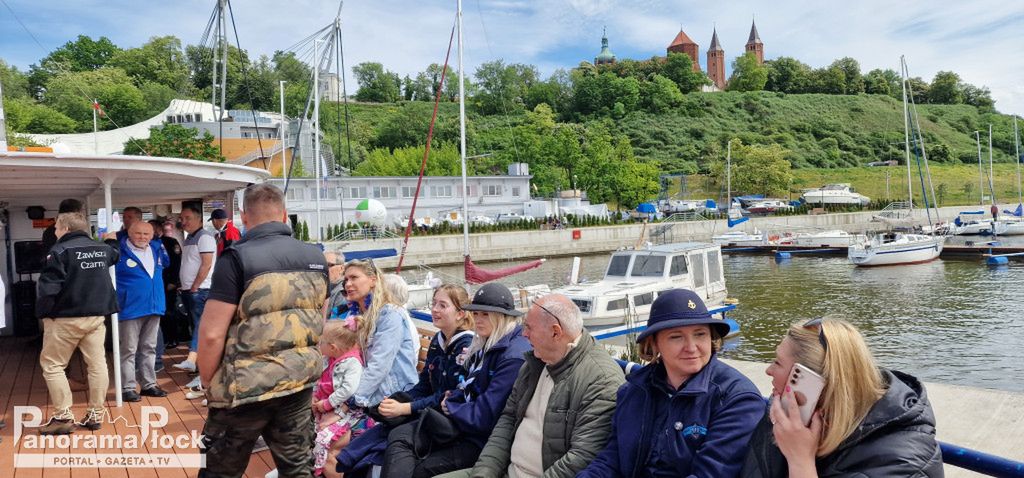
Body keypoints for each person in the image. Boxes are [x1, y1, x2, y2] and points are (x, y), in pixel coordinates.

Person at [197, 183, 329, 476]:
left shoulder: (236, 258)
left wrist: (208, 380)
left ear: (244, 216)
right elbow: (319, 319)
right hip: (298, 381)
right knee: (298, 469)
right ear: (284, 214)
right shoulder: (316, 257)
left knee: (219, 469)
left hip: (244, 388)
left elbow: (211, 334)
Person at [578, 288, 764, 478]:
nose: (691, 347)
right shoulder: (634, 391)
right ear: (654, 343)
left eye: (700, 334)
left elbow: (710, 473)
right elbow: (611, 459)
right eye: (676, 337)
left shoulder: (737, 399)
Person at [739, 318, 943, 477]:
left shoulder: (904, 463)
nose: (768, 370)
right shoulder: (788, 418)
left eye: (777, 362)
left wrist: (800, 462)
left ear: (811, 382)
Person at [454, 293, 624, 478]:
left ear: (555, 332)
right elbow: (508, 420)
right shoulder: (536, 361)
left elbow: (582, 457)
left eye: (529, 327)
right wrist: (484, 472)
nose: (523, 334)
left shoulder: (601, 380)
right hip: (507, 470)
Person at [381, 283, 532, 478]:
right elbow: (464, 386)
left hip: (481, 439)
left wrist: (451, 406)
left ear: (503, 316)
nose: (478, 319)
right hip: (463, 424)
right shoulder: (489, 342)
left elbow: (485, 415)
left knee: (417, 464)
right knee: (397, 436)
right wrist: (452, 399)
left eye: (485, 314)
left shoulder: (511, 356)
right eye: (476, 313)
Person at [336, 284, 476, 477]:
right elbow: (425, 383)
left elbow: (448, 396)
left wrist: (406, 408)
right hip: (428, 411)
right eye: (434, 303)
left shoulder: (465, 346)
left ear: (460, 314)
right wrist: (398, 400)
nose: (435, 309)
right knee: (379, 432)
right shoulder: (439, 339)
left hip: (448, 420)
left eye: (443, 305)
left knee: (391, 440)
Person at [36, 212, 119, 434]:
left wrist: (44, 314)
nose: (55, 232)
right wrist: (111, 240)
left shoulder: (59, 251)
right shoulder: (102, 249)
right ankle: (95, 415)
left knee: (53, 366)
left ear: (66, 229)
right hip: (96, 317)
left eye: (56, 228)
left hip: (65, 318)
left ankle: (63, 417)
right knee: (97, 365)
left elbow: (48, 288)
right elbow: (114, 255)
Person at [115, 221, 171, 402]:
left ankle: (148, 385)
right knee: (128, 349)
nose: (142, 237)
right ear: (129, 233)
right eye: (138, 233)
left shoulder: (156, 248)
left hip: (154, 305)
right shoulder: (118, 250)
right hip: (130, 307)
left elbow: (166, 264)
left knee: (149, 347)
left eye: (146, 234)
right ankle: (127, 387)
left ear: (152, 235)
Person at [314, 318, 366, 477]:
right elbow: (320, 380)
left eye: (321, 342)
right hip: (326, 407)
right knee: (304, 430)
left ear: (332, 347)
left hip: (346, 411)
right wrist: (315, 396)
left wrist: (327, 403)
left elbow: (348, 390)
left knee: (322, 441)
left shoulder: (352, 363)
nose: (318, 345)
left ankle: (323, 469)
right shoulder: (329, 358)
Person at [173, 205, 216, 391]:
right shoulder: (190, 237)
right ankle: (198, 370)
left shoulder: (204, 237)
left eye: (187, 218)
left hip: (201, 290)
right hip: (190, 290)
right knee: (196, 328)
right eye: (182, 218)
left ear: (199, 219)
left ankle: (198, 368)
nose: (183, 221)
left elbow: (206, 264)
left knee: (200, 329)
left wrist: (195, 286)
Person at [322, 250, 348, 320]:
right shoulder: (323, 288)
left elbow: (336, 323)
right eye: (322, 265)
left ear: (342, 268)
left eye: (329, 265)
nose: (324, 269)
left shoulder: (343, 292)